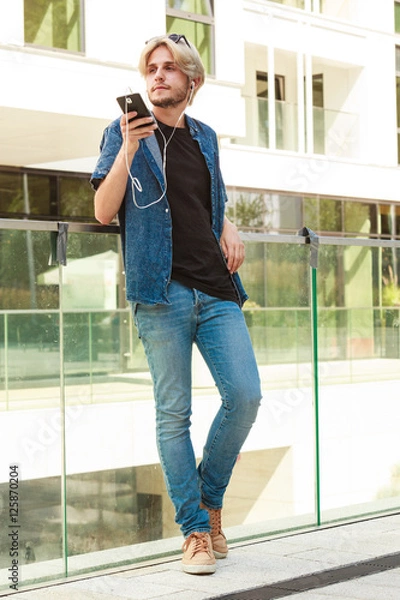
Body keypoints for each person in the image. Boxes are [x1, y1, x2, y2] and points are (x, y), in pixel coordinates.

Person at [91, 33, 262, 575]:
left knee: (246, 395)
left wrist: (227, 222)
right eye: (151, 69)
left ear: (192, 82)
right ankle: (194, 531)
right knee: (175, 414)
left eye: (169, 69)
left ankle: (210, 502)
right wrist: (128, 149)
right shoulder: (119, 133)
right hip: (159, 291)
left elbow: (208, 199)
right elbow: (101, 209)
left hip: (215, 289)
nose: (157, 76)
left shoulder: (207, 136)